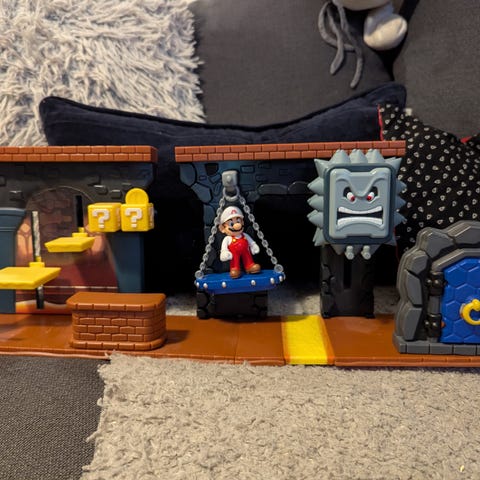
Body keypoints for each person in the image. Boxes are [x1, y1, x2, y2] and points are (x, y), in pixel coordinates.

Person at [218, 206, 261, 279]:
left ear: (242, 222)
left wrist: (254, 246)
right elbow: (224, 248)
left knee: (247, 256)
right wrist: (224, 252)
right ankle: (235, 268)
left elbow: (251, 242)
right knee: (234, 260)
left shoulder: (245, 235)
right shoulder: (228, 239)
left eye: (238, 221)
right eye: (231, 224)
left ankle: (249, 266)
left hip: (246, 251)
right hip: (234, 254)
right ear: (223, 228)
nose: (237, 226)